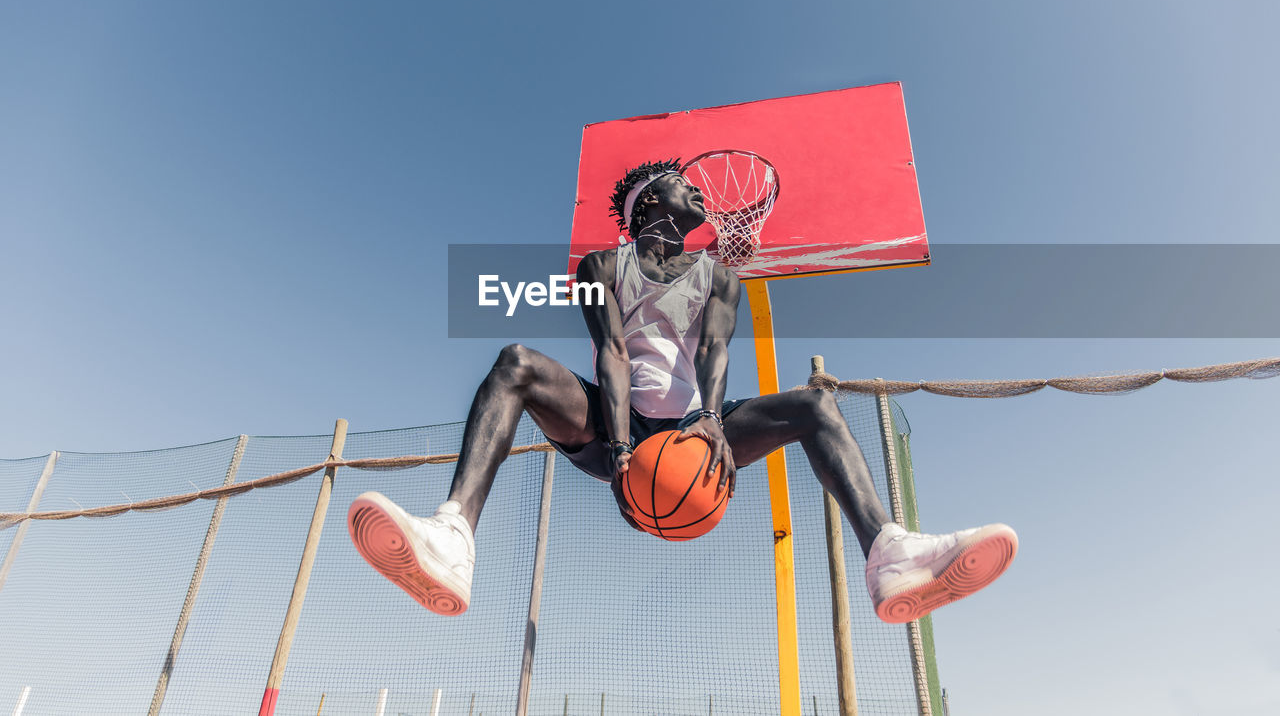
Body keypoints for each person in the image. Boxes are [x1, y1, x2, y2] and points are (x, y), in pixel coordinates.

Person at [348, 160, 1016, 623]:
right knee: (515, 361)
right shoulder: (601, 265)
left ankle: (890, 553)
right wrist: (616, 445)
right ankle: (453, 536)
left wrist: (716, 427)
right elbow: (610, 351)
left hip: (697, 427)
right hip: (615, 424)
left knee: (814, 405)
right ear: (648, 202)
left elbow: (714, 352)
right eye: (685, 185)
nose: (700, 193)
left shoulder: (721, 277)